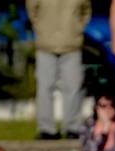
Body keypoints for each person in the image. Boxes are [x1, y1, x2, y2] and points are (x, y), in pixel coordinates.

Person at [26, 0, 90, 140]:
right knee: (44, 88)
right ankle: (46, 129)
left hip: (72, 46)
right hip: (45, 46)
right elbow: (32, 10)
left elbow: (86, 11)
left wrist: (77, 29)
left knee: (73, 88)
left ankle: (72, 128)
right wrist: (41, 29)